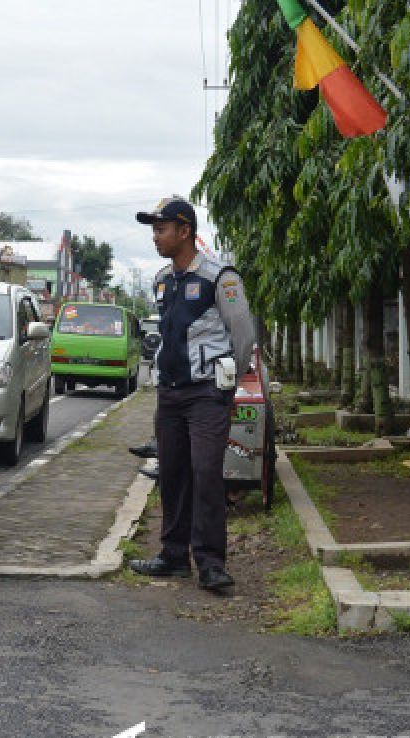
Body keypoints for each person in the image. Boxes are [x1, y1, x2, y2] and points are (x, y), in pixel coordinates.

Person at [128, 196, 255, 591]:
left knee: (205, 475)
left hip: (206, 395)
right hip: (170, 395)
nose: (155, 237)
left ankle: (211, 563)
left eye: (161, 228)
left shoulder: (221, 278)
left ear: (185, 231)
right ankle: (172, 555)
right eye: (153, 229)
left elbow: (244, 336)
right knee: (173, 474)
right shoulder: (163, 279)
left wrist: (224, 383)